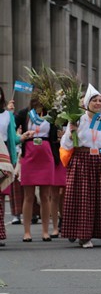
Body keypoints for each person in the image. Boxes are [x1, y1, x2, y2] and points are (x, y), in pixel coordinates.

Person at [60, 84, 101, 248]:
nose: (98, 103)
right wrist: (71, 130)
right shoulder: (78, 119)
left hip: (100, 161)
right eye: (94, 100)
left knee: (100, 198)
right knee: (82, 198)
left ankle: (97, 232)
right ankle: (82, 234)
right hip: (82, 161)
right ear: (87, 103)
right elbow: (66, 144)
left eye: (100, 100)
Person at [16, 99, 59, 242]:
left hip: (46, 155)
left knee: (45, 196)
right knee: (28, 196)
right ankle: (27, 232)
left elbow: (58, 132)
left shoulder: (51, 114)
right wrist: (21, 136)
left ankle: (45, 231)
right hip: (29, 154)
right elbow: (14, 132)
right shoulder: (24, 113)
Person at [0, 87, 18, 238]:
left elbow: (12, 139)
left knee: (1, 194)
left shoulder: (7, 115)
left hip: (3, 153)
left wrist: (13, 159)